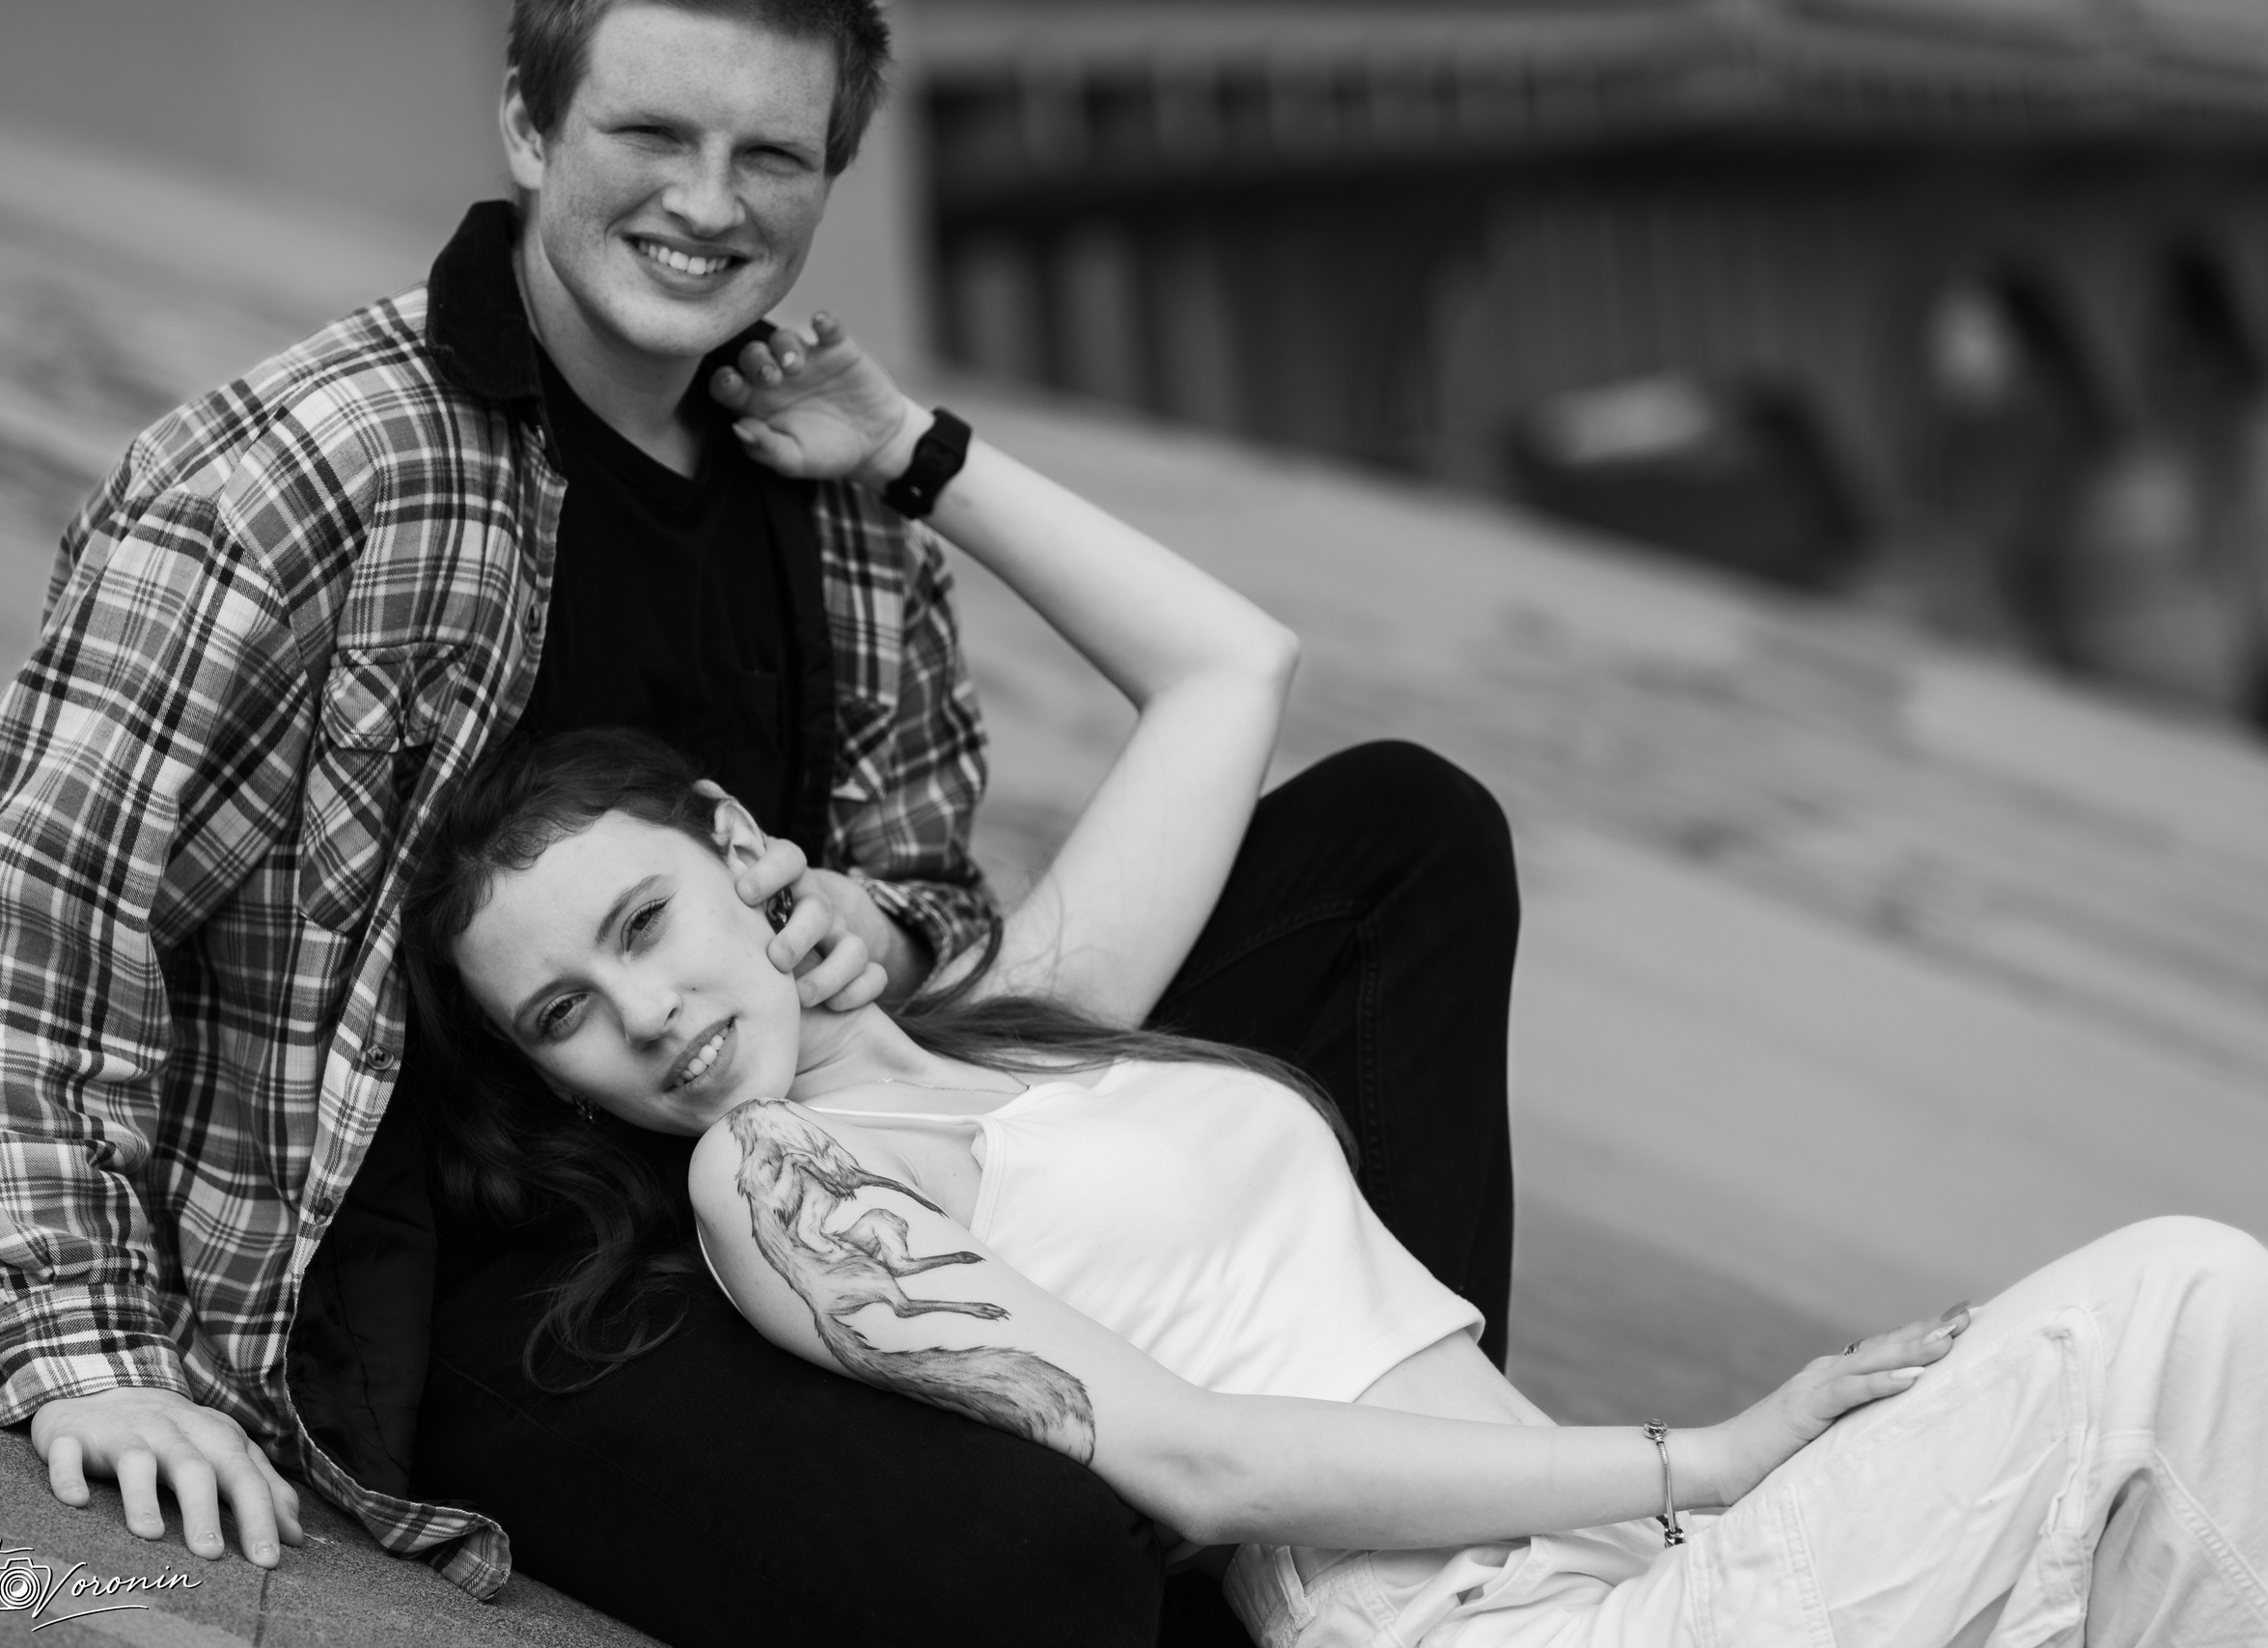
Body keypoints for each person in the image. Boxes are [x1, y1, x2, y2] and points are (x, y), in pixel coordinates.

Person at [0, 2, 1515, 1643]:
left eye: (770, 156)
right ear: (531, 128)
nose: (709, 204)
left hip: (854, 1157)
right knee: (1034, 1558)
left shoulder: (825, 502)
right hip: (523, 1278)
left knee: (1399, 836)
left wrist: (878, 920)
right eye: (653, 136)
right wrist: (78, 1345)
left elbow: (934, 881)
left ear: (828, 176)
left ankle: (1438, 1532)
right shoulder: (313, 468)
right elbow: (17, 901)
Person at [409, 331, 2268, 1648]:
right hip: (1469, 1621)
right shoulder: (784, 1183)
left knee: (2159, 1517)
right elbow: (1193, 1466)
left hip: (1620, 1564)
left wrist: (911, 448)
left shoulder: (1020, 1027)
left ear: (740, 849)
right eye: (564, 1015)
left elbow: (1233, 667)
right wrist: (1716, 1448)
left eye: (639, 923)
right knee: (2182, 1305)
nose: (639, 1013)